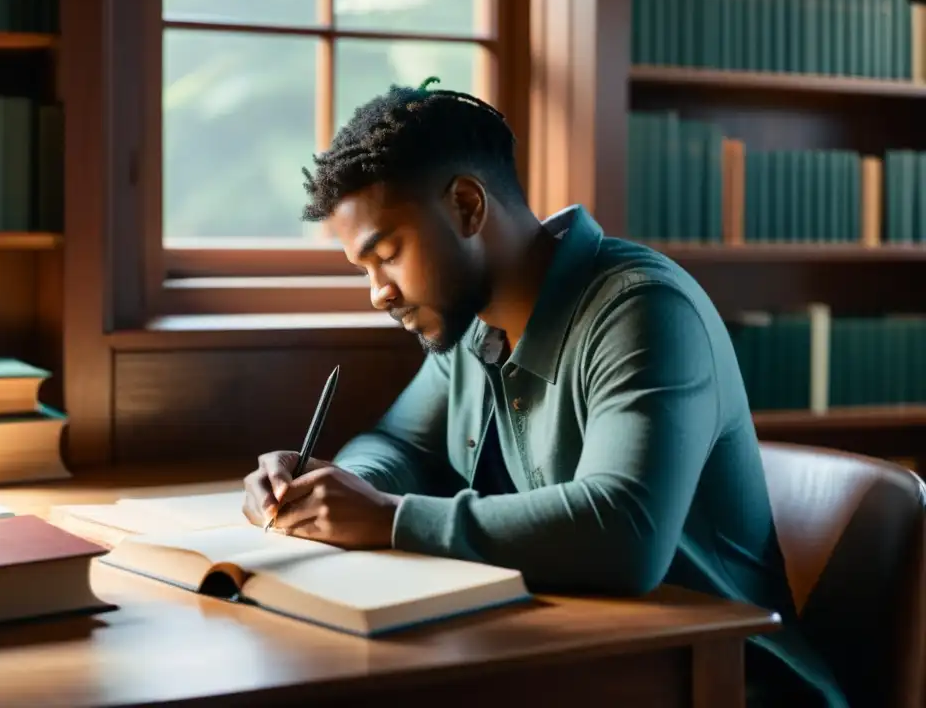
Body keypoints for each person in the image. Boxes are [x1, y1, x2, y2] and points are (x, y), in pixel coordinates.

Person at [241, 78, 847, 707]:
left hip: (724, 677)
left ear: (468, 207)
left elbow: (625, 534)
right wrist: (331, 491)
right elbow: (399, 442)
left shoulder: (642, 309)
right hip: (587, 655)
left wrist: (388, 518)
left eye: (387, 254)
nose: (379, 293)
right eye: (364, 270)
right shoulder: (475, 324)